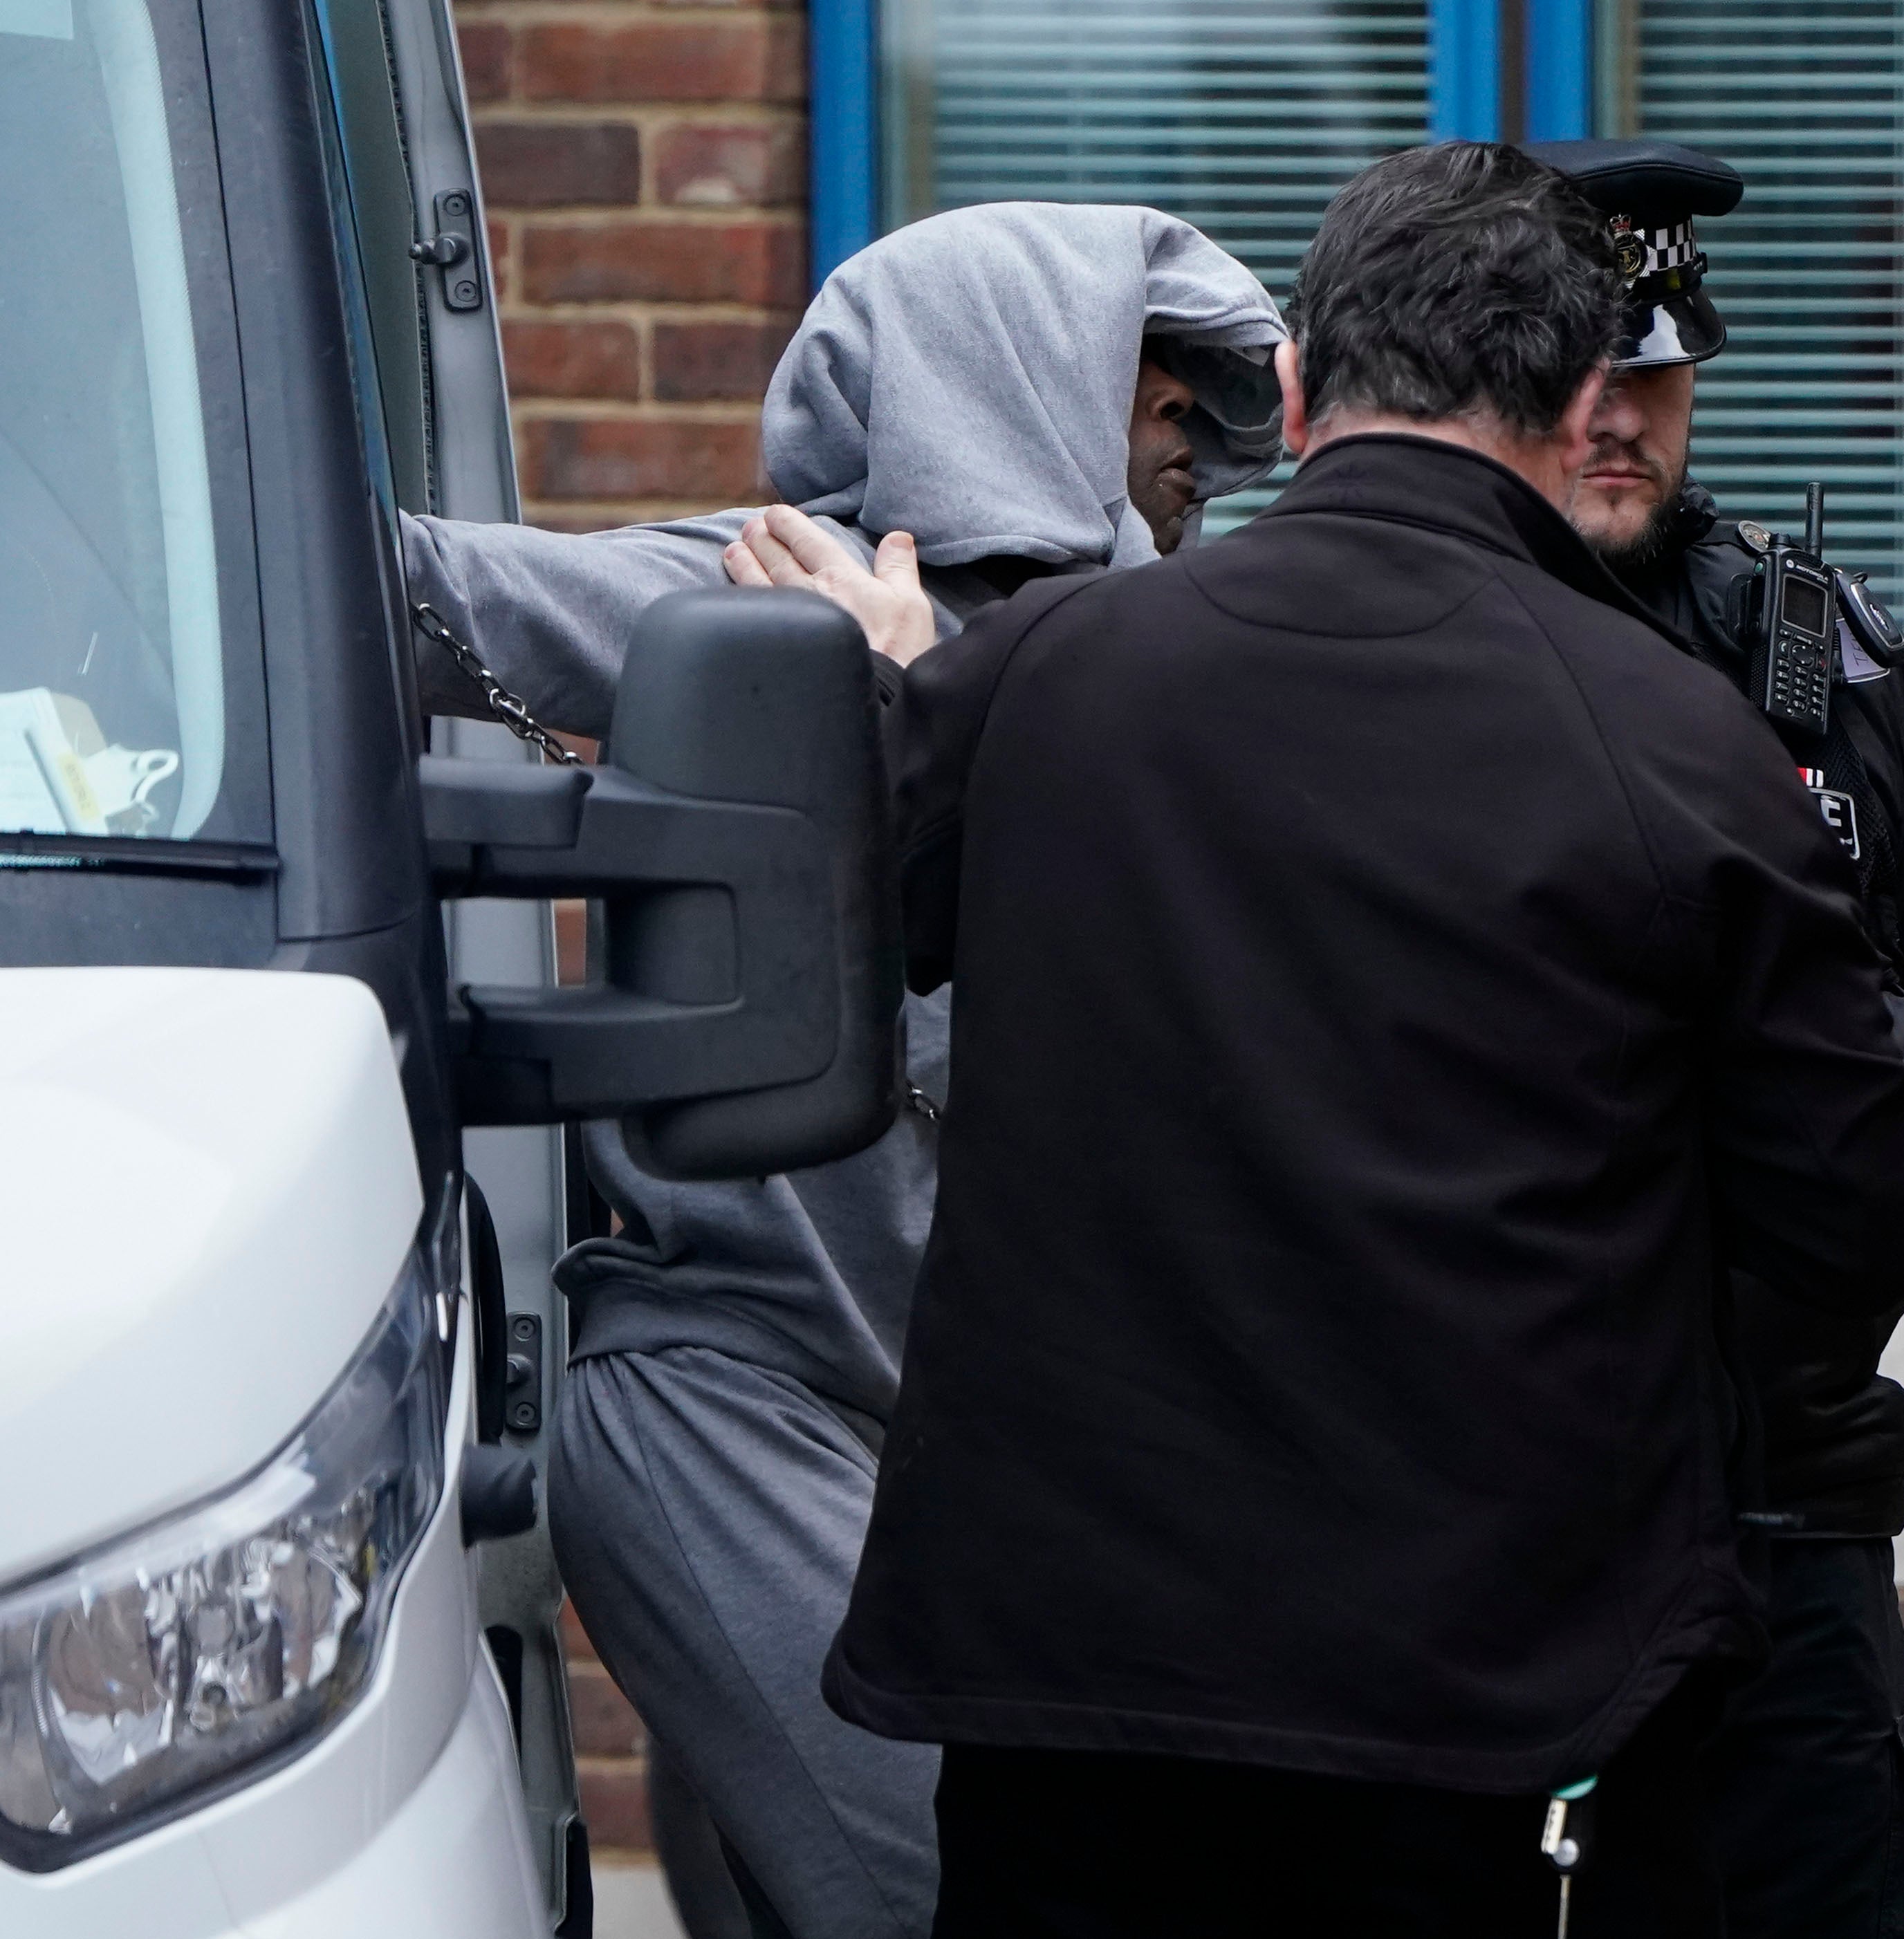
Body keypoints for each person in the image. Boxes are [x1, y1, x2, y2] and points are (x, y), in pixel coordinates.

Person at [820, 140, 1904, 1937]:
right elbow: (1853, 1210)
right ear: (1570, 388)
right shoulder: (1680, 744)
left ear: (1291, 381)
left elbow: (829, 952)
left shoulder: (1041, 678)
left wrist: (885, 691)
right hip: (1486, 1697)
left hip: (1071, 1690)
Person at [403, 202, 1287, 1939]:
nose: (1196, 442)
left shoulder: (1169, 662)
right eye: (1159, 389)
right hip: (749, 1420)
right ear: (1006, 382)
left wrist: (948, 689)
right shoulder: (763, 599)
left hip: (991, 1476)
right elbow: (396, 587)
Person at [1528, 137, 1904, 1939]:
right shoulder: (1381, 647)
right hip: (1464, 1533)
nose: (1615, 416)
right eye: (1574, 371)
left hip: (1779, 1529)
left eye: (1651, 371)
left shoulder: (1838, 669)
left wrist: (1767, 1325)